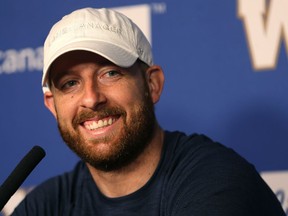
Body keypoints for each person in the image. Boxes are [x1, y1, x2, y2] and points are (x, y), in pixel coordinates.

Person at [12, 7, 285, 215]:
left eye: (110, 73)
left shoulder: (216, 182)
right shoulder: (46, 205)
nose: (91, 98)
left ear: (152, 84)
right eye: (70, 83)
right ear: (53, 106)